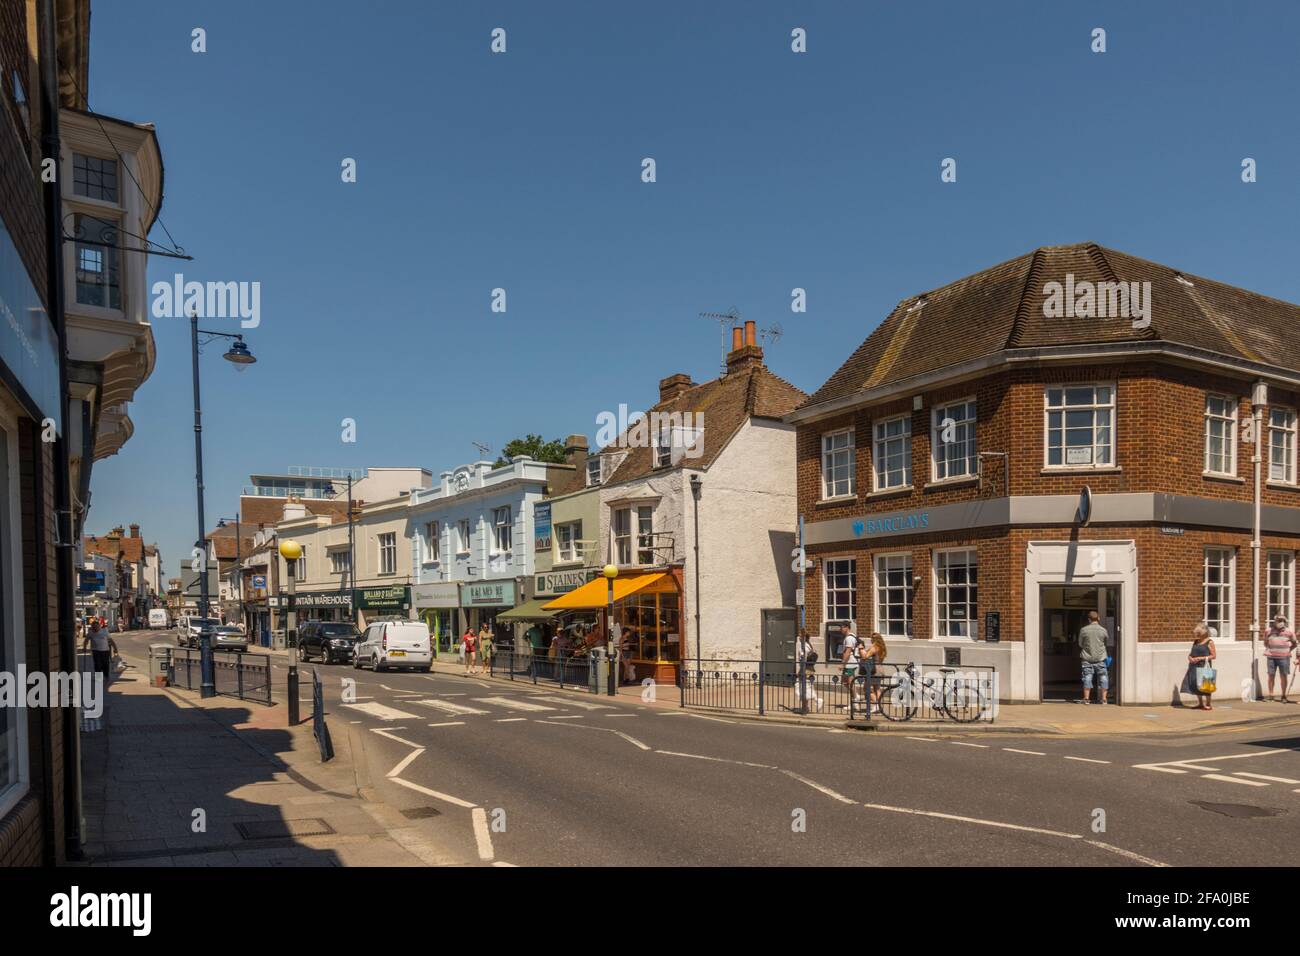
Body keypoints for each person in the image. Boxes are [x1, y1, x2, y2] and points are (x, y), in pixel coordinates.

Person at [1077, 610, 1110, 705]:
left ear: (1089, 619)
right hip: (1101, 658)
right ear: (1098, 618)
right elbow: (1106, 642)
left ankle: (1086, 699)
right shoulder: (1103, 630)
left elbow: (1080, 644)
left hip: (1087, 658)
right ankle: (1104, 699)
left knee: (1087, 677)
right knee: (1103, 677)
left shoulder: (1084, 630)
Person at [1182, 622, 1217, 710]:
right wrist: (1189, 657)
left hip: (1204, 665)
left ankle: (1208, 704)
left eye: (1199, 634)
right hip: (1194, 666)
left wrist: (1200, 658)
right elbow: (1191, 653)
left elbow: (1213, 656)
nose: (1197, 635)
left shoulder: (1210, 642)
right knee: (1196, 684)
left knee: (1206, 684)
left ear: (1204, 633)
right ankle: (1200, 703)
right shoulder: (1196, 641)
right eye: (1197, 634)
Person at [1263, 615, 1298, 703]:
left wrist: (1287, 650)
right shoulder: (1268, 631)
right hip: (1271, 656)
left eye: (1282, 620)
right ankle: (1271, 696)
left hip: (1284, 657)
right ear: (1274, 621)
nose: (1280, 622)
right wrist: (1271, 649)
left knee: (1283, 676)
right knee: (1271, 675)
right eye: (1278, 620)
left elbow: (1294, 643)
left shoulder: (1289, 632)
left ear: (1285, 621)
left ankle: (1283, 695)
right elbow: (1265, 642)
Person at [83, 617, 118, 689]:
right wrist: (84, 647)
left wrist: (115, 649)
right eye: (93, 627)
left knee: (105, 664)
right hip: (95, 651)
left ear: (99, 626)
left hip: (105, 650)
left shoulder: (104, 631)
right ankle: (98, 677)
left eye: (96, 627)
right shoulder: (90, 633)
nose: (95, 628)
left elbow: (111, 641)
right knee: (97, 664)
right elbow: (86, 640)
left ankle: (106, 676)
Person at [858, 632, 887, 714]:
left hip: (873, 670)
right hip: (880, 668)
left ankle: (876, 705)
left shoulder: (875, 647)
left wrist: (861, 648)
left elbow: (865, 657)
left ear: (874, 639)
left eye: (872, 638)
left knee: (866, 688)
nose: (870, 640)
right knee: (877, 689)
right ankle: (879, 706)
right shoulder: (882, 647)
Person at [795, 628, 823, 712]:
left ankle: (817, 700)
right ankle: (805, 707)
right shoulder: (808, 645)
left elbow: (803, 660)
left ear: (803, 637)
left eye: (800, 636)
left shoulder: (804, 647)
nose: (799, 637)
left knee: (802, 686)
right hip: (809, 669)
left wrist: (800, 671)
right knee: (805, 686)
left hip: (805, 669)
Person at [839, 623, 863, 705]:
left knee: (850, 682)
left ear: (847, 627)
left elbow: (848, 652)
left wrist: (842, 664)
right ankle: (856, 696)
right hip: (849, 663)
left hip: (850, 663)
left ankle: (855, 700)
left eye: (842, 627)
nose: (840, 629)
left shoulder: (849, 638)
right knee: (844, 682)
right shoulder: (850, 636)